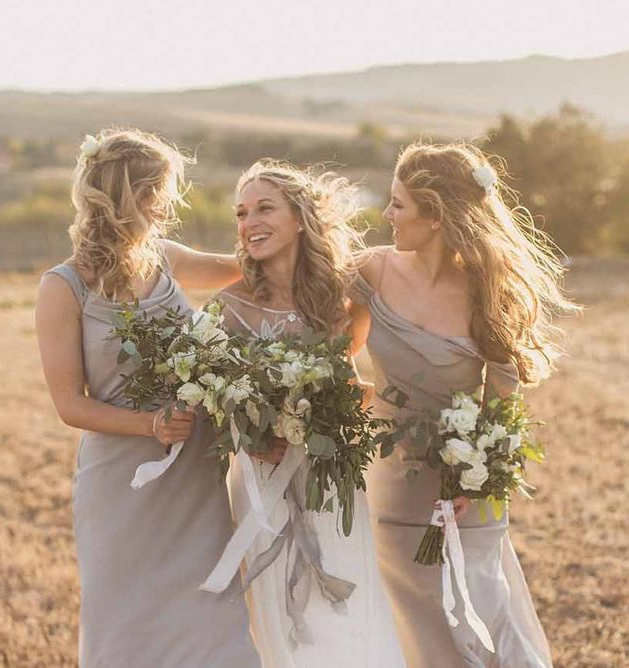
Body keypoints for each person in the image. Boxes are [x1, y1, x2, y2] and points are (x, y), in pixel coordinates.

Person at [35, 128, 260, 668]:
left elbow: (248, 269)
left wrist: (297, 231)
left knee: (210, 612)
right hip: (123, 481)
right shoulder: (63, 288)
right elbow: (70, 405)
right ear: (131, 198)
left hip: (195, 476)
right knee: (127, 620)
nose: (167, 206)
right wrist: (151, 425)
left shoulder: (167, 258)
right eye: (160, 192)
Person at [352, 142, 575, 667]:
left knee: (479, 615)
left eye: (398, 204)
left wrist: (477, 482)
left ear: (434, 216)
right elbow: (333, 346)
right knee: (413, 622)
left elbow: (503, 404)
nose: (386, 215)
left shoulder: (488, 290)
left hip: (465, 492)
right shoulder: (371, 272)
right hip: (389, 484)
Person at [211, 159, 406, 668]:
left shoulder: (344, 299)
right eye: (242, 212)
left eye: (264, 208)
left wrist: (336, 404)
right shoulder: (228, 307)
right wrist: (248, 432)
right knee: (282, 615)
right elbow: (212, 399)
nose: (249, 221)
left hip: (333, 479)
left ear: (300, 218)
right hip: (263, 478)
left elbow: (357, 383)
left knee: (347, 603)